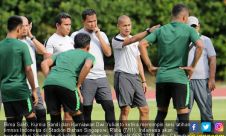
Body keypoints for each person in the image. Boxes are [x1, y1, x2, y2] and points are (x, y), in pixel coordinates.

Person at [139, 4, 204, 135]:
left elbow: (142, 44)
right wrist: (192, 67)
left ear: (172, 16)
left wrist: (150, 66)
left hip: (162, 77)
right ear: (185, 17)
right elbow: (200, 46)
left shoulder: (161, 30)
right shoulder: (189, 30)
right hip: (179, 77)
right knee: (183, 114)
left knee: (161, 112)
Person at [112, 15, 159, 135]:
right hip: (122, 76)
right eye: (124, 25)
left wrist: (143, 80)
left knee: (145, 109)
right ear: (119, 26)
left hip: (135, 77)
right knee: (125, 110)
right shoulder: (116, 40)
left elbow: (138, 61)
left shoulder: (134, 39)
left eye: (129, 25)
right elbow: (131, 41)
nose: (127, 28)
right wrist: (148, 31)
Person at [71, 9, 116, 135]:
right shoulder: (75, 35)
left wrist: (99, 35)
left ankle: (112, 133)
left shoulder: (102, 34)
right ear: (83, 21)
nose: (93, 24)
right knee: (87, 109)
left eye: (95, 21)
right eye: (90, 21)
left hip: (101, 77)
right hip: (85, 78)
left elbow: (108, 53)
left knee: (109, 107)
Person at [41, 33, 95, 136]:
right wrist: (78, 84)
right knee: (77, 113)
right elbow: (87, 66)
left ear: (74, 44)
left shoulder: (62, 53)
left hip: (49, 85)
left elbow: (44, 63)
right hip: (67, 85)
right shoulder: (89, 55)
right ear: (88, 46)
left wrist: (51, 79)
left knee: (55, 117)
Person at [0, 15, 38, 136]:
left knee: (12, 123)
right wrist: (34, 90)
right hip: (20, 89)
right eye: (22, 27)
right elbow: (28, 69)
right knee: (31, 119)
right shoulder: (22, 46)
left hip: (5, 90)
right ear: (18, 29)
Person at [44, 12, 74, 134]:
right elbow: (47, 63)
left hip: (70, 82)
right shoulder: (51, 41)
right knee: (55, 116)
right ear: (57, 25)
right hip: (55, 83)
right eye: (65, 24)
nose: (68, 27)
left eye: (70, 24)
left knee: (69, 116)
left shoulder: (71, 40)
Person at [187, 16, 216, 134]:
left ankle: (208, 133)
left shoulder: (206, 40)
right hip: (185, 81)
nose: (194, 28)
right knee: (183, 112)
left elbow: (212, 59)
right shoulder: (182, 41)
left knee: (206, 112)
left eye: (195, 26)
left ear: (199, 26)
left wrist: (212, 78)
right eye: (191, 26)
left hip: (202, 81)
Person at [19, 16, 47, 135]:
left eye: (26, 25)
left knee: (41, 115)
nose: (24, 28)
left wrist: (31, 36)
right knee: (23, 118)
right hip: (20, 87)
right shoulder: (14, 42)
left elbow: (43, 51)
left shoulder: (31, 41)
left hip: (35, 86)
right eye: (22, 25)